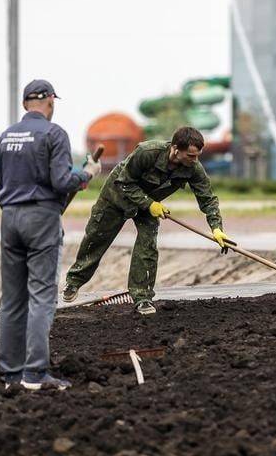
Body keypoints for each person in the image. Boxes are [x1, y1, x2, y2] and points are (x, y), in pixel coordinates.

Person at [0, 79, 101, 390]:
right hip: (41, 218)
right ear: (51, 102)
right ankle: (35, 374)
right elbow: (61, 181)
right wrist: (87, 174)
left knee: (13, 300)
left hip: (10, 218)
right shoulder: (54, 134)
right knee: (42, 297)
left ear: (25, 103)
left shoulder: (6, 136)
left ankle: (11, 374)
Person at [63, 126, 230, 315]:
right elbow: (124, 182)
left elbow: (207, 198)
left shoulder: (193, 168)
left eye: (198, 155)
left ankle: (142, 298)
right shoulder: (147, 152)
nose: (195, 160)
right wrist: (148, 203)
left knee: (147, 246)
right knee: (96, 238)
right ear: (175, 149)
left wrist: (216, 228)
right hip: (117, 195)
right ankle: (74, 282)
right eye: (191, 155)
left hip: (150, 205)